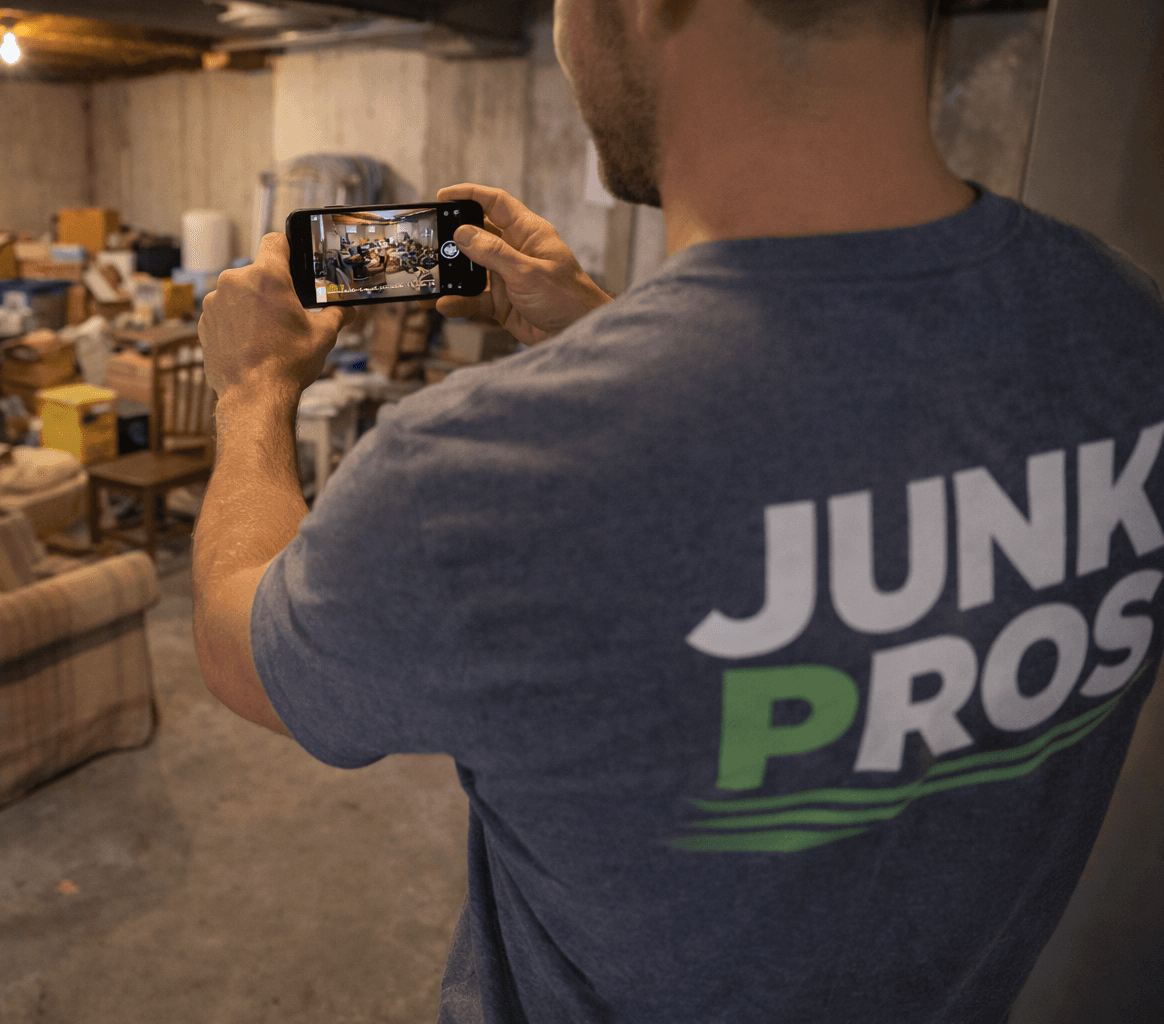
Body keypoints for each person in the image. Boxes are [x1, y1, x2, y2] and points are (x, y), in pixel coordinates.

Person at [192, 0, 1164, 1020]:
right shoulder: (1125, 330)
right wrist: (603, 331)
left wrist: (253, 385)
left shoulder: (481, 475)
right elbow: (830, 474)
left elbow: (238, 645)